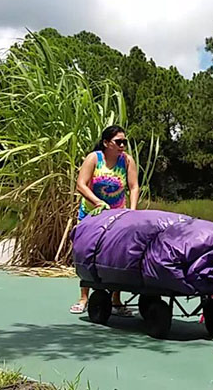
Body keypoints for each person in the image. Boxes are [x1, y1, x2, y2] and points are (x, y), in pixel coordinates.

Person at [69, 125, 140, 315]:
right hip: (92, 214)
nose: (122, 145)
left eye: (125, 142)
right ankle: (84, 297)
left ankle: (116, 300)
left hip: (117, 216)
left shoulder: (127, 161)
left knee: (117, 255)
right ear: (106, 143)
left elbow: (133, 187)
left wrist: (132, 212)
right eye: (118, 142)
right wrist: (98, 202)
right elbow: (81, 185)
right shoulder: (94, 159)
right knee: (87, 254)